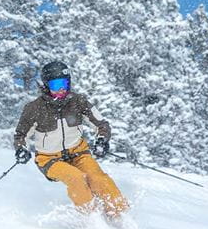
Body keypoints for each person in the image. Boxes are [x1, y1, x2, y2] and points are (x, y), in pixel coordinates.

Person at [14, 61, 129, 219]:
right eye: (56, 85)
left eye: (64, 83)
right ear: (46, 85)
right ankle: (91, 219)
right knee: (76, 178)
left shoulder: (78, 102)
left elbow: (101, 124)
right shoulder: (34, 108)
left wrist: (102, 140)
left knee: (98, 178)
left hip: (78, 153)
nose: (61, 89)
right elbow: (21, 135)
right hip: (49, 159)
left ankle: (120, 215)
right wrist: (21, 149)